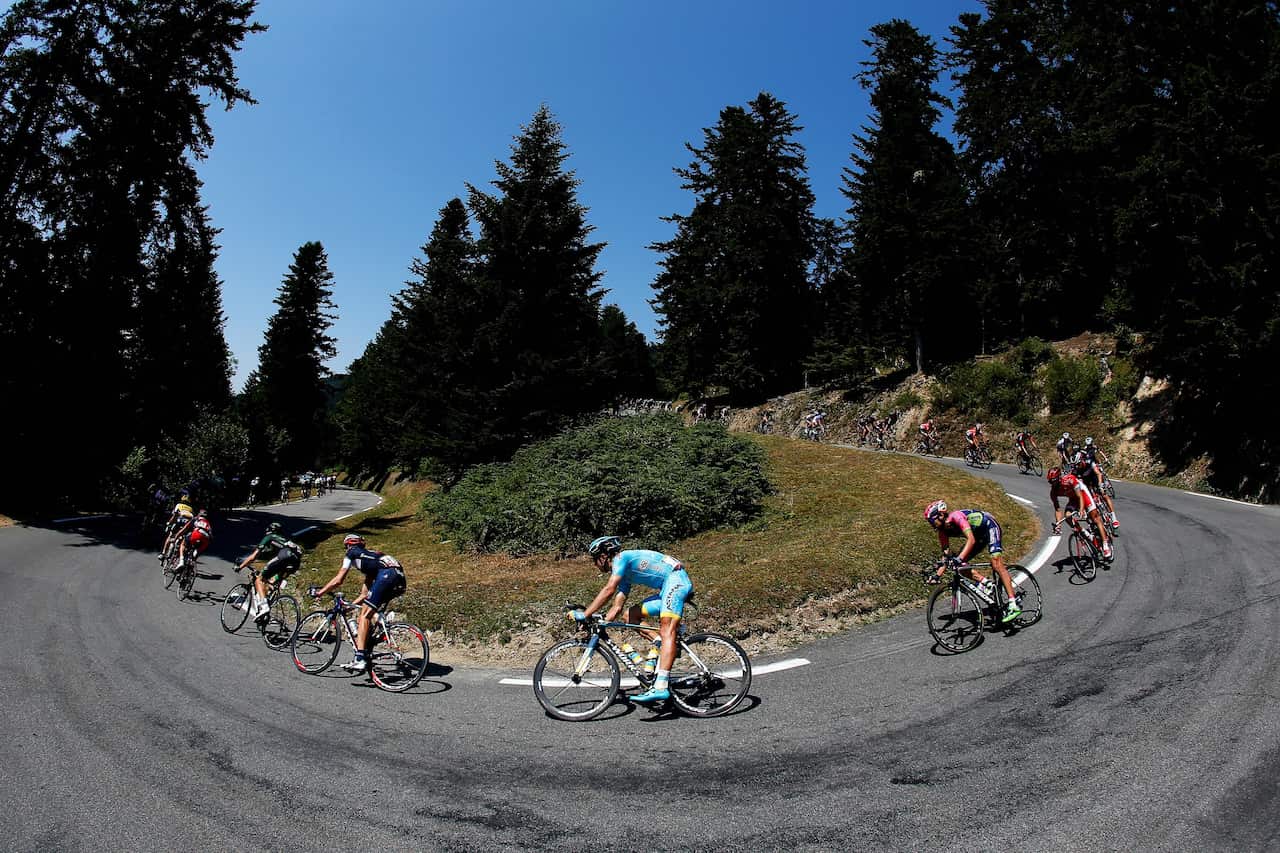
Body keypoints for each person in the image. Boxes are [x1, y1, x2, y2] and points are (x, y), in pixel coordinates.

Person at [575, 536, 694, 704]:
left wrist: (585, 614)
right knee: (630, 616)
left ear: (603, 556)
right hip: (667, 588)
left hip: (676, 582)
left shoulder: (621, 559)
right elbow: (617, 607)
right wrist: (601, 624)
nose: (595, 565)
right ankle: (663, 644)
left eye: (595, 560)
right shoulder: (624, 573)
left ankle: (661, 686)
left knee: (667, 629)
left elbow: (609, 589)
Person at [310, 534, 406, 673]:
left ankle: (360, 658)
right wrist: (349, 607)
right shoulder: (372, 559)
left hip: (387, 576)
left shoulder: (351, 552)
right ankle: (379, 631)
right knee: (369, 611)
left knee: (364, 616)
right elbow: (365, 594)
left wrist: (320, 592)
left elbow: (339, 580)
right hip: (399, 578)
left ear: (348, 545)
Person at [923, 501, 1021, 623]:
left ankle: (1013, 604)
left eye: (931, 521)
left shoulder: (956, 516)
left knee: (996, 563)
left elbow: (971, 540)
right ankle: (986, 584)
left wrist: (958, 559)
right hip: (978, 536)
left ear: (941, 515)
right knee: (959, 568)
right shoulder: (942, 532)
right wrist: (937, 576)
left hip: (989, 526)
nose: (931, 524)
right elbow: (946, 556)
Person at [236, 521, 304, 622]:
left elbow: (253, 557)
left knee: (259, 579)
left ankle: (264, 607)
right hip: (295, 562)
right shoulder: (285, 540)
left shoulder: (270, 537)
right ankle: (268, 604)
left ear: (270, 530)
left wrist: (240, 567)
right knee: (271, 581)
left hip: (284, 556)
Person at [1048, 467, 1113, 559]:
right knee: (1067, 516)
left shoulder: (1069, 479)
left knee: (1095, 518)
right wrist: (1058, 524)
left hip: (1083, 494)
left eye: (1053, 481)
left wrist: (1082, 510)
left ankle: (1105, 544)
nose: (1052, 484)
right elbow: (1058, 509)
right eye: (1050, 482)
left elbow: (1080, 496)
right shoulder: (1053, 492)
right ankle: (1084, 533)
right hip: (1073, 499)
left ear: (1059, 478)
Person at [1072, 446, 1119, 529]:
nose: (1078, 466)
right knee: (1087, 499)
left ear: (1082, 460)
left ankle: (1114, 518)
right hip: (1086, 482)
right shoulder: (1076, 469)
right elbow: (1076, 483)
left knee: (1104, 495)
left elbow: (1099, 474)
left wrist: (1101, 485)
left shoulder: (1089, 462)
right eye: (1076, 465)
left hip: (1095, 478)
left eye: (1079, 464)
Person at [159, 494, 195, 561]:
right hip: (187, 524)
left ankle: (163, 553)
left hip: (179, 521)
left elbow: (174, 515)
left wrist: (169, 523)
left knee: (170, 536)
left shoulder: (178, 505)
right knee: (183, 539)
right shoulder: (191, 509)